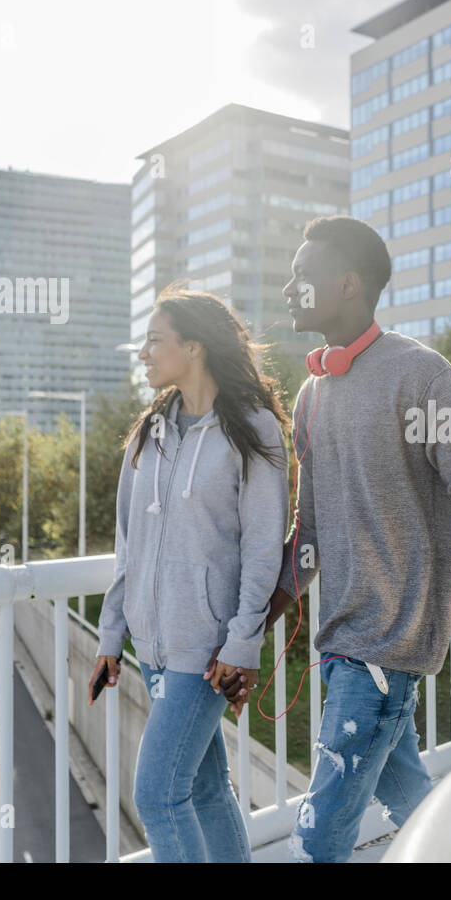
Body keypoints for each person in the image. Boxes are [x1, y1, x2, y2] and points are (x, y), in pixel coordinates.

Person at [221, 215, 451, 863]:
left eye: (302, 276)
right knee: (418, 806)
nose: (288, 288)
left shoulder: (423, 376)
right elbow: (311, 535)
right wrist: (245, 637)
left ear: (347, 283)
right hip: (342, 651)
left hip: (383, 659)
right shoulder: (311, 396)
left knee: (317, 840)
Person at [89, 281, 290, 863]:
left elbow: (262, 550)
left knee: (156, 796)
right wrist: (110, 637)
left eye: (155, 341)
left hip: (206, 651)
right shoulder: (148, 433)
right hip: (151, 645)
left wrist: (242, 642)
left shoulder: (253, 431)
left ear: (195, 347)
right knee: (202, 787)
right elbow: (129, 545)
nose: (144, 353)